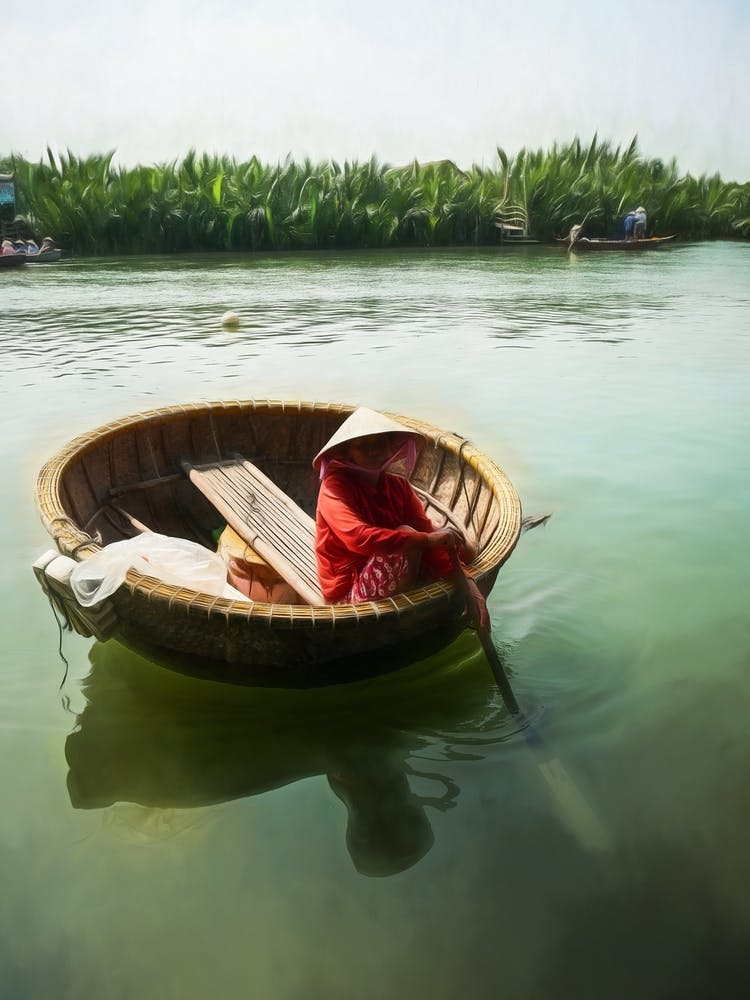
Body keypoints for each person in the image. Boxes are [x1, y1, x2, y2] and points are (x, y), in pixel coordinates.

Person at [313, 407, 487, 626]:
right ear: (347, 453)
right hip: (347, 592)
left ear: (390, 446)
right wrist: (425, 540)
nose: (373, 451)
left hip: (388, 568)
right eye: (363, 446)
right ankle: (402, 619)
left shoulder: (399, 486)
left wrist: (469, 584)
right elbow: (358, 538)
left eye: (379, 443)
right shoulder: (334, 487)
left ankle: (443, 598)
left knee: (464, 546)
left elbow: (428, 534)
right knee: (409, 535)